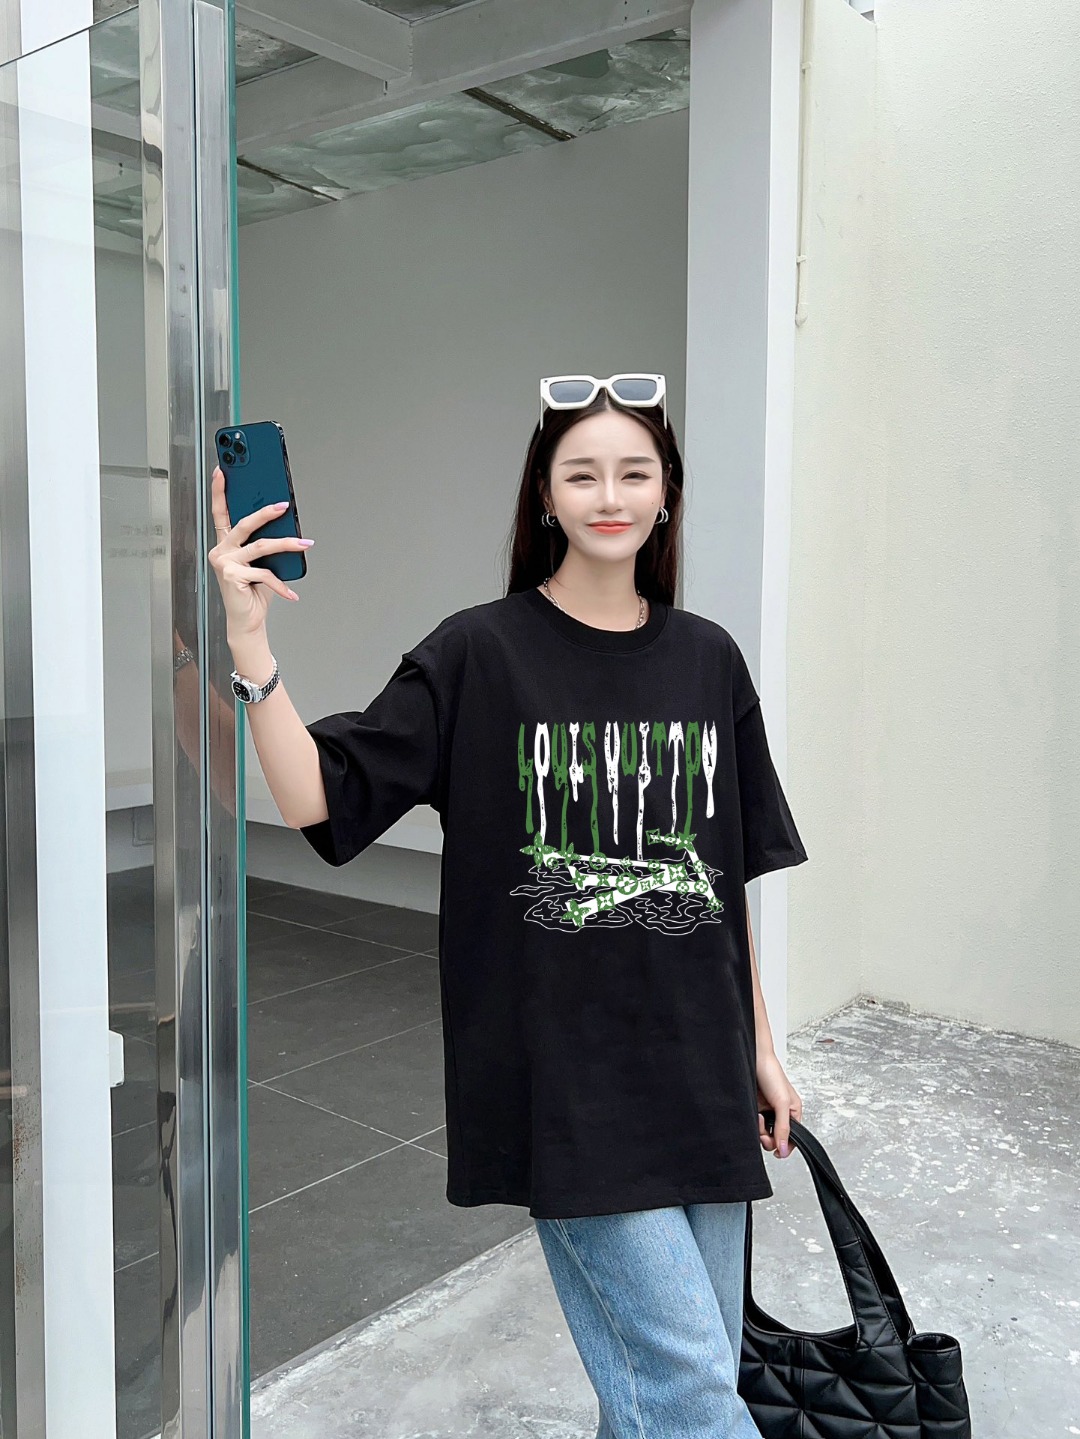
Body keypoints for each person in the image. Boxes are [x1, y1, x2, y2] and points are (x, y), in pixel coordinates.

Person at [208, 371, 809, 1438]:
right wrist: (249, 642)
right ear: (544, 494)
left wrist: (758, 1044)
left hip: (700, 1074)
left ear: (667, 492)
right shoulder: (479, 651)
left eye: (634, 472)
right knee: (692, 1402)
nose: (610, 495)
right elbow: (317, 798)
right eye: (583, 474)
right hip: (567, 1089)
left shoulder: (708, 657)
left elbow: (723, 885)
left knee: (683, 1382)